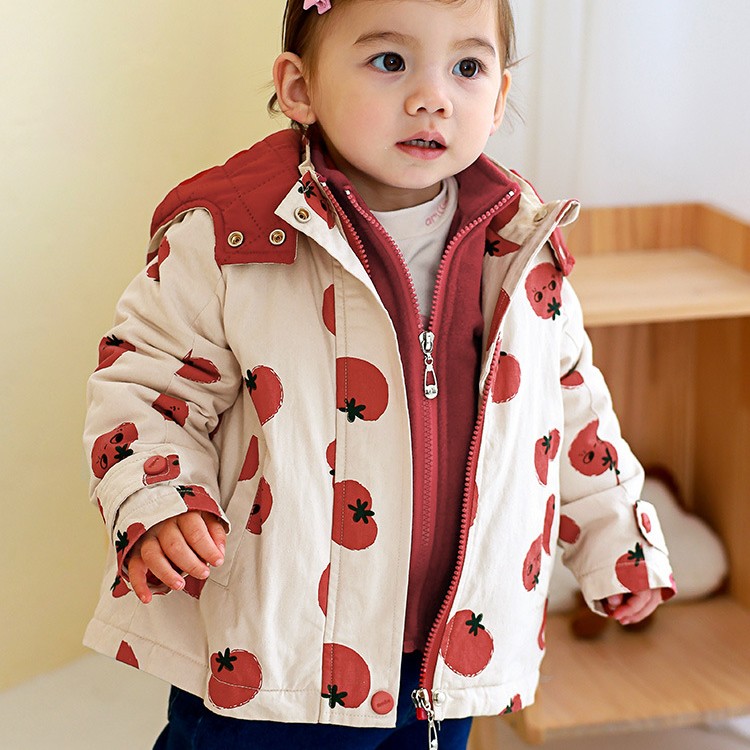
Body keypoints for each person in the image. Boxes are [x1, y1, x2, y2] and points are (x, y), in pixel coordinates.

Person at [83, 1, 676, 748]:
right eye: (390, 61)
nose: (433, 97)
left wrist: (618, 534)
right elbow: (148, 385)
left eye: (467, 66)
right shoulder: (236, 236)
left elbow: (570, 406)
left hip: (446, 646)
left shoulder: (518, 243)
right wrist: (161, 500)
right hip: (280, 653)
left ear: (498, 97)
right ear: (300, 88)